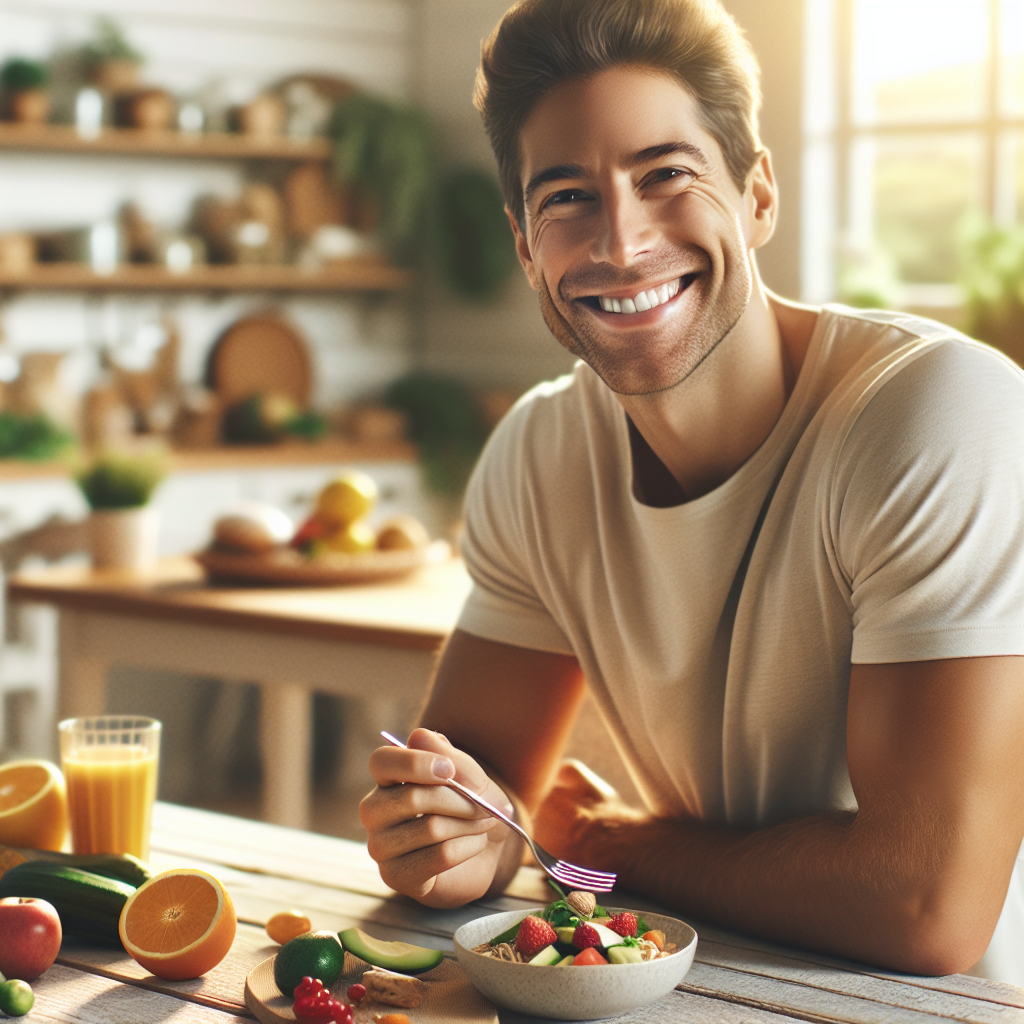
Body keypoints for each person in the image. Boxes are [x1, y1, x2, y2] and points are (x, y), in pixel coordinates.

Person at [359, 0, 1024, 984]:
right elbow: (493, 815)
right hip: (705, 987)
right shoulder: (539, 451)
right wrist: (449, 844)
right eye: (566, 198)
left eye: (664, 175)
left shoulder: (940, 413)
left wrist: (606, 845)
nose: (620, 242)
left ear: (757, 196)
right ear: (523, 245)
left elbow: (925, 907)